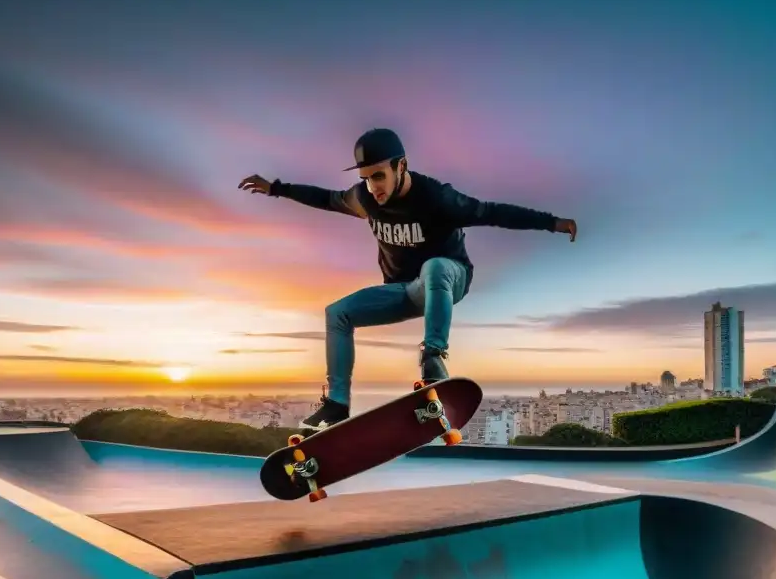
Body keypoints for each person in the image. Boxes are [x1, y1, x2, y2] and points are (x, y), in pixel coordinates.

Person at [238, 127, 578, 429]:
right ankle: (338, 404)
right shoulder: (363, 198)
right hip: (404, 290)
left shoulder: (437, 198)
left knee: (434, 267)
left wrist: (552, 222)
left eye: (380, 176)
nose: (373, 187)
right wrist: (276, 189)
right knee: (336, 313)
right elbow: (325, 198)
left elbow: (492, 212)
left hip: (450, 279)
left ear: (402, 165)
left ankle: (434, 358)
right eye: (368, 178)